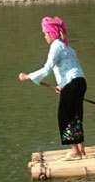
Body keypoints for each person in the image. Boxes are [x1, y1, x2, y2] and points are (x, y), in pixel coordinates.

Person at [18, 16, 87, 159]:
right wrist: (63, 86)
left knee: (65, 117)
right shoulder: (67, 46)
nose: (44, 37)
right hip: (80, 82)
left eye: (45, 34)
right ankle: (81, 150)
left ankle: (75, 152)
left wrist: (28, 76)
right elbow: (72, 68)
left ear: (51, 33)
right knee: (75, 116)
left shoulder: (56, 45)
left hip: (72, 84)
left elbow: (47, 68)